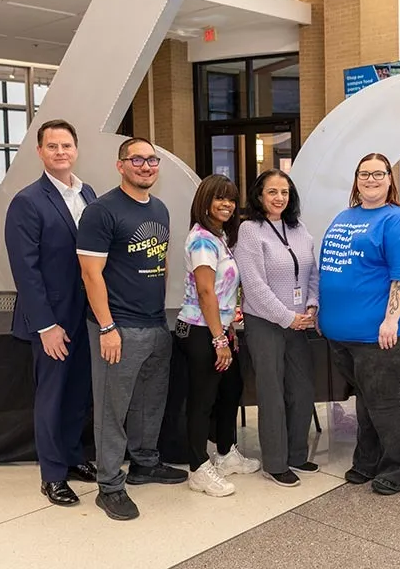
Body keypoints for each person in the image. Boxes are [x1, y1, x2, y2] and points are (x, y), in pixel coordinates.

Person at [77, 137, 187, 521]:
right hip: (118, 327)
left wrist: (162, 315)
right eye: (136, 159)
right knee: (112, 408)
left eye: (152, 159)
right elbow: (91, 275)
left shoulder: (159, 208)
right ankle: (109, 485)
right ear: (120, 165)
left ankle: (144, 463)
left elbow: (162, 262)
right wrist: (107, 327)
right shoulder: (101, 212)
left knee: (149, 402)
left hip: (155, 323)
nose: (145, 165)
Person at [318, 153, 400, 496]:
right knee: (366, 401)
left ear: (390, 179)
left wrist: (391, 319)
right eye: (364, 174)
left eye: (379, 174)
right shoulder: (344, 216)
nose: (371, 179)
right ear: (356, 179)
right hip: (344, 335)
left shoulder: (399, 221)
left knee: (387, 403)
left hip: (383, 333)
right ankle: (367, 461)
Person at [4, 119, 98, 508]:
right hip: (52, 320)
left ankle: (75, 457)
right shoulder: (27, 202)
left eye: (67, 146)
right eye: (52, 146)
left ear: (76, 150)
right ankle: (53, 475)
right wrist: (46, 325)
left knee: (79, 394)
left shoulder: (88, 193)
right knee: (52, 397)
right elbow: (26, 271)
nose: (61, 152)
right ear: (40, 152)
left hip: (86, 314)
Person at [175, 174, 260, 498]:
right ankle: (198, 468)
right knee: (203, 400)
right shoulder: (201, 240)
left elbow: (223, 295)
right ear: (205, 202)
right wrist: (218, 339)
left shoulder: (220, 235)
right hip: (198, 330)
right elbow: (206, 291)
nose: (226, 204)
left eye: (230, 198)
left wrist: (227, 330)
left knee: (231, 388)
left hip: (216, 328)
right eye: (219, 198)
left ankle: (225, 453)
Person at [234, 169, 319, 488]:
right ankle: (275, 462)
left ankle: (297, 453)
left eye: (284, 192)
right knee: (271, 392)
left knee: (303, 388)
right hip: (266, 322)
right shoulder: (250, 230)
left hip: (299, 322)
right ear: (259, 196)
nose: (279, 197)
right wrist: (287, 317)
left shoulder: (300, 229)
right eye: (272, 192)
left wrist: (311, 305)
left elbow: (312, 273)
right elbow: (253, 284)